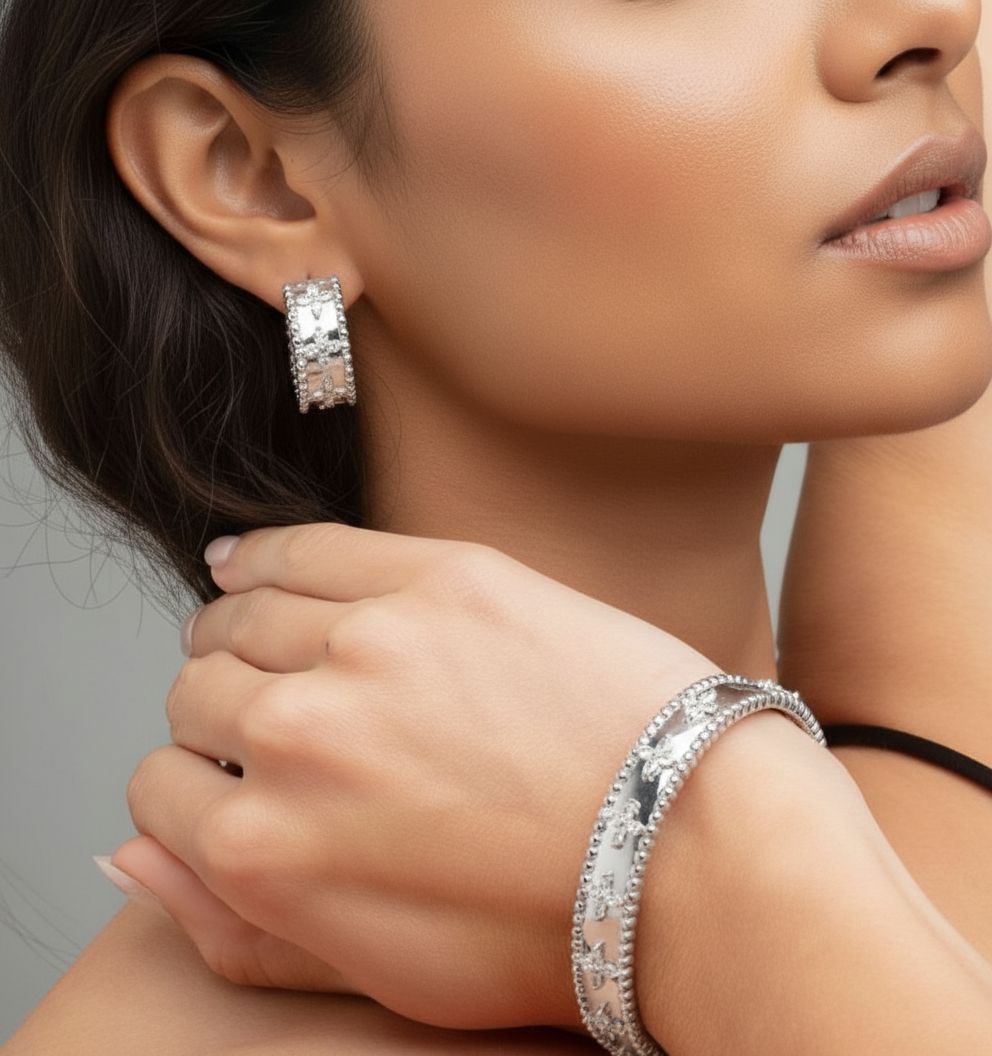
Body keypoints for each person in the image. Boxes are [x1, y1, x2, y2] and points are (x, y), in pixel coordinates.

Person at [1, 0, 991, 1052]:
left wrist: (707, 857)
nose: (925, 21)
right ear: (253, 176)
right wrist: (686, 853)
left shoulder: (926, 744)